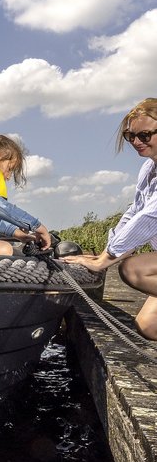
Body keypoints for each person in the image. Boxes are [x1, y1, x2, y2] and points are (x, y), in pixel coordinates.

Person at [61, 98, 157, 340]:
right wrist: (106, 251)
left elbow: (149, 217)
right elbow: (134, 211)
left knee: (133, 270)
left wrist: (104, 261)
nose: (136, 142)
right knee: (147, 325)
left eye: (145, 135)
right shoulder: (148, 168)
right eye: (130, 136)